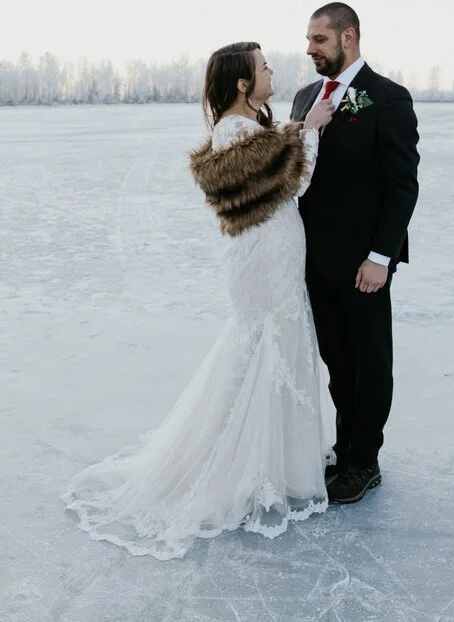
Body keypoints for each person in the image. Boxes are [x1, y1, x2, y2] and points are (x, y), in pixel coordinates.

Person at [62, 42, 336, 561]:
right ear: (241, 83)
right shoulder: (234, 130)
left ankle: (278, 461)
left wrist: (294, 133)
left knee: (275, 343)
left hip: (272, 250)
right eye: (263, 68)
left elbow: (273, 161)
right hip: (262, 255)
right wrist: (313, 130)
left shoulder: (246, 129)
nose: (272, 72)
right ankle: (247, 469)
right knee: (263, 346)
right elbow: (292, 181)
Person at [291, 3, 420, 504]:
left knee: (369, 364)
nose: (309, 49)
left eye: (319, 40)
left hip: (363, 263)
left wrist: (380, 257)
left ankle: (364, 461)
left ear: (349, 37)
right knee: (337, 362)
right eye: (308, 39)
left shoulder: (388, 98)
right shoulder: (305, 97)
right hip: (311, 258)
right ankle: (345, 450)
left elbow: (402, 186)